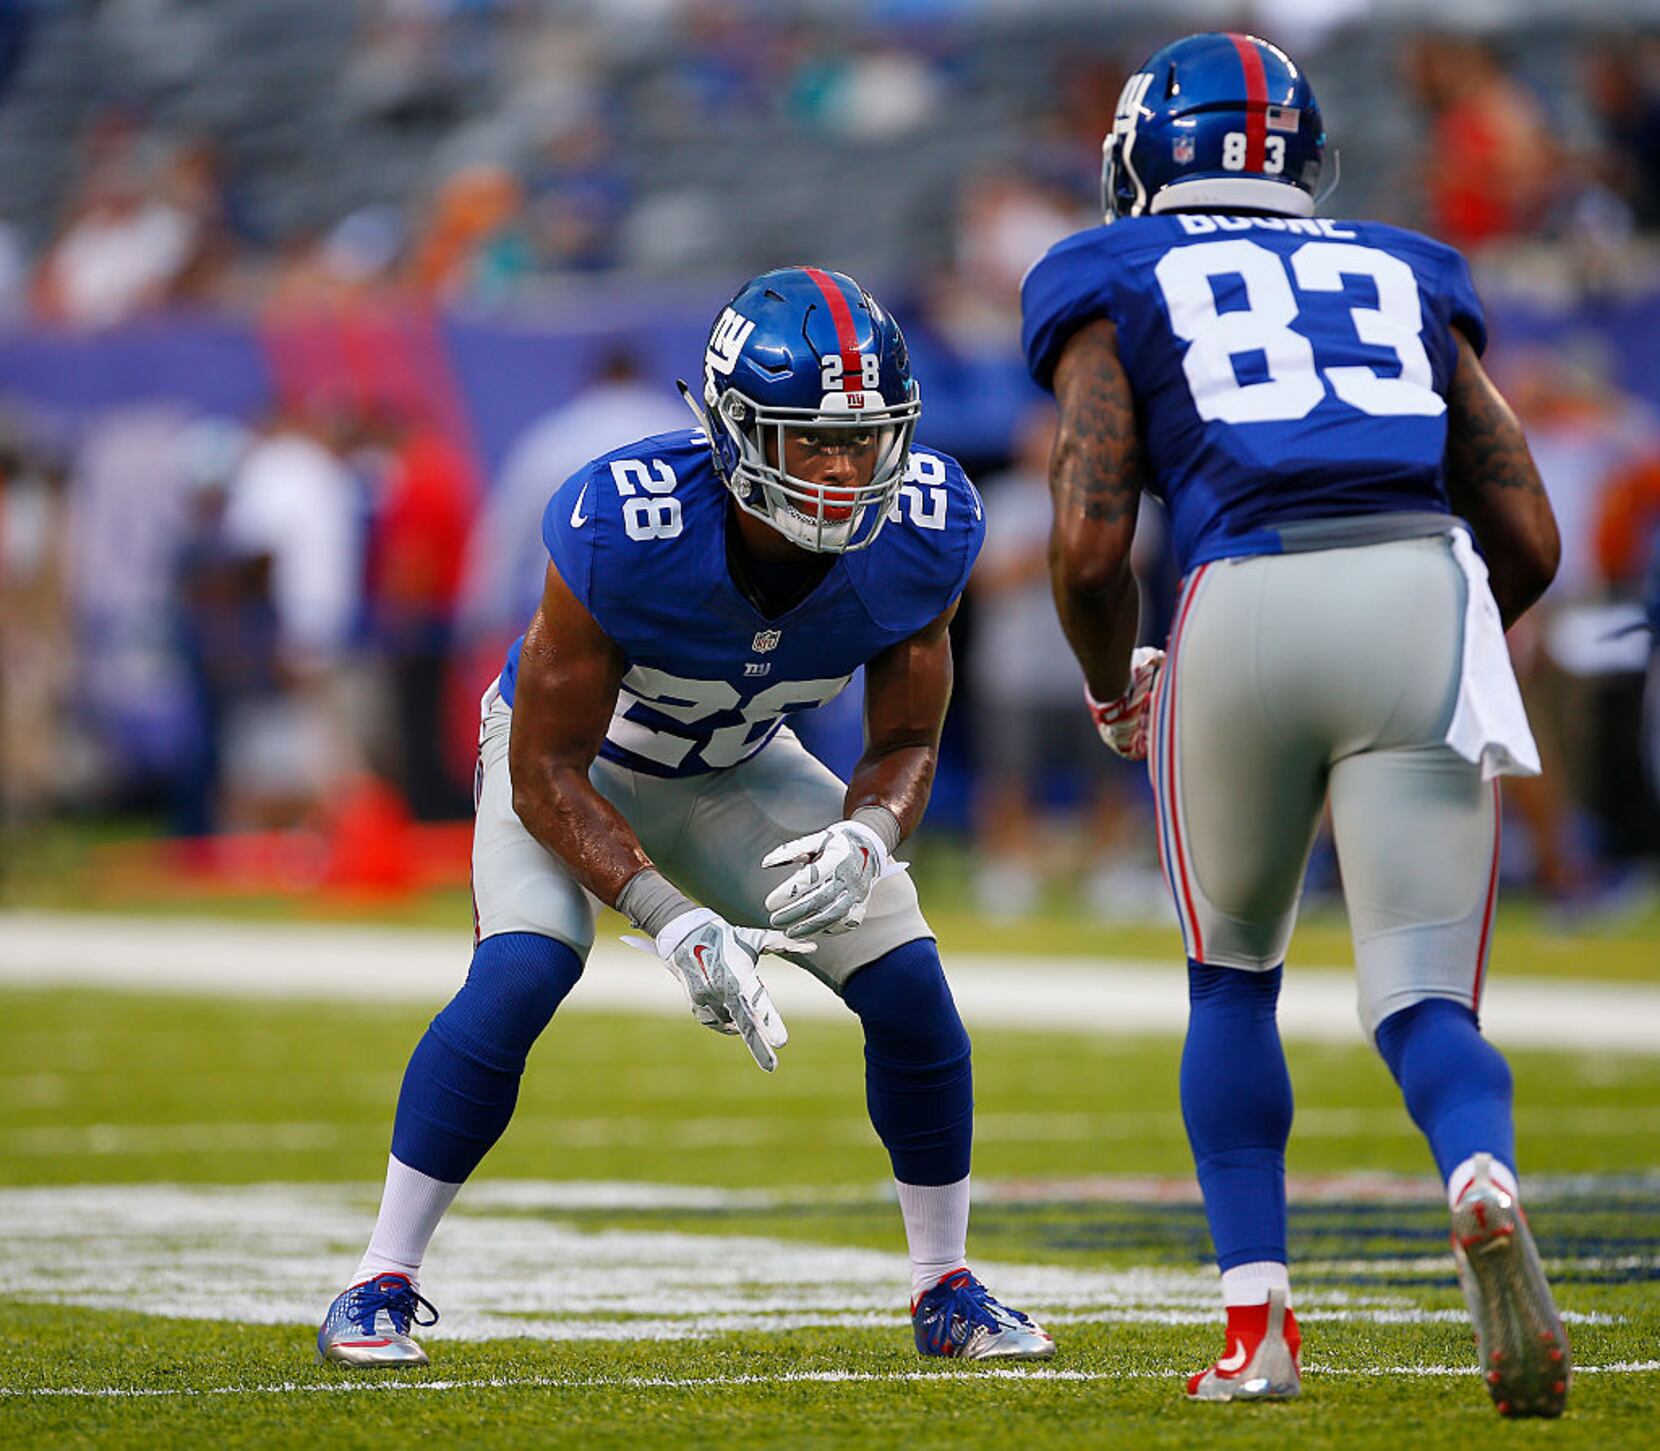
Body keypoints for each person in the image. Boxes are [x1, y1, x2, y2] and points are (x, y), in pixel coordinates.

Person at [317, 266, 1054, 1367]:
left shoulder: (924, 524)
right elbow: (546, 767)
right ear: (737, 431)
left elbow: (904, 743)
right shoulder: (628, 520)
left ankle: (945, 1286)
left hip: (742, 766)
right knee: (523, 969)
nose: (849, 469)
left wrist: (871, 832)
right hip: (574, 767)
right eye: (813, 440)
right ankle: (379, 1277)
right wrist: (669, 915)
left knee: (906, 980)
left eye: (868, 438)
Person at [1022, 33, 1567, 1416]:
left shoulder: (1110, 273)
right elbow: (1532, 532)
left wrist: (1112, 680)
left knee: (1234, 975)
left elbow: (1090, 547)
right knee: (1425, 993)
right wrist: (1441, 645)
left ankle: (1257, 1326)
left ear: (1143, 156)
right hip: (1422, 580)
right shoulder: (1402, 265)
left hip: (1242, 601)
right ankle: (1478, 1171)